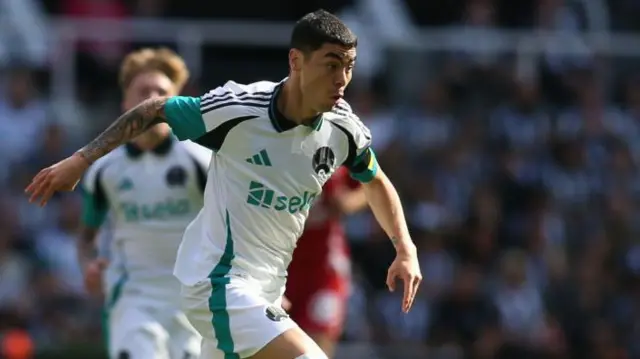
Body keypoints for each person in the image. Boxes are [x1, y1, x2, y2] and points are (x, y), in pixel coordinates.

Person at [25, 10, 422, 359]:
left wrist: (405, 248)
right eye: (331, 64)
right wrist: (80, 161)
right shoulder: (239, 110)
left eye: (349, 66)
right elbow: (155, 110)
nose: (342, 78)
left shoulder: (342, 127)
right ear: (296, 61)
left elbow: (375, 180)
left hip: (266, 288)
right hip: (218, 282)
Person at [77, 48, 207, 359]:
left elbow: (235, 227)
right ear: (125, 104)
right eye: (142, 93)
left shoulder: (202, 162)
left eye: (161, 93)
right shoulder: (104, 170)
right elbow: (86, 238)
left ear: (176, 104)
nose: (151, 102)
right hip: (132, 297)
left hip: (193, 300)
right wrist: (88, 267)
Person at [284, 166, 367, 358]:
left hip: (325, 268)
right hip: (281, 262)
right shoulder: (277, 143)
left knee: (318, 344)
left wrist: (347, 202)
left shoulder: (341, 142)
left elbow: (371, 184)